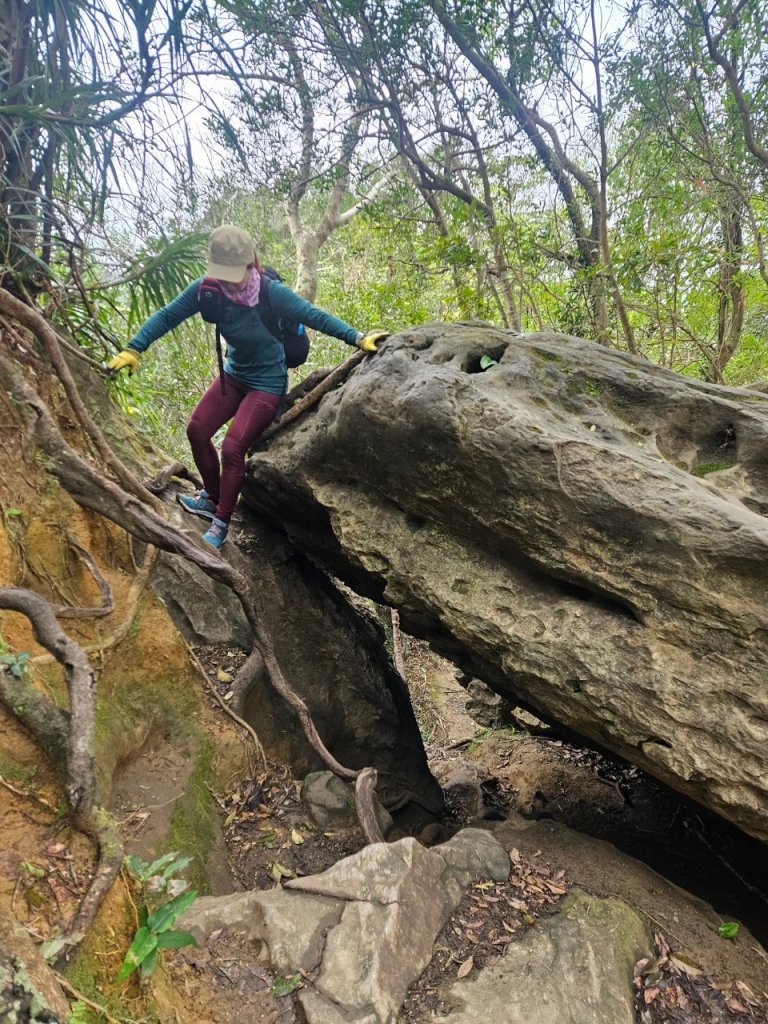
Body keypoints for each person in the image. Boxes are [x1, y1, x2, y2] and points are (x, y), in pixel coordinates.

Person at [107, 225, 388, 550]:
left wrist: (357, 338)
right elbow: (168, 315)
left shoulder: (271, 293)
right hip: (234, 375)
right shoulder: (208, 290)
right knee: (197, 431)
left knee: (232, 448)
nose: (229, 282)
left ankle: (221, 522)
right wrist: (134, 348)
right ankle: (211, 498)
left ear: (250, 264)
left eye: (235, 273)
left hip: (267, 383)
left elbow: (314, 316)